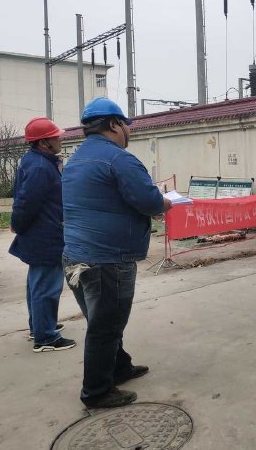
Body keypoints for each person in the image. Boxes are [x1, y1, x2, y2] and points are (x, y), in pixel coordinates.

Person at [62, 97, 172, 408]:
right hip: (107, 260)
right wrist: (165, 202)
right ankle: (96, 392)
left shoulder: (75, 160)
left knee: (102, 321)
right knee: (106, 327)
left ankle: (120, 367)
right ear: (114, 124)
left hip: (75, 257)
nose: (128, 131)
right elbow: (149, 201)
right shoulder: (119, 159)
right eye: (126, 124)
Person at [9, 117, 76, 353]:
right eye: (55, 137)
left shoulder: (35, 160)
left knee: (37, 284)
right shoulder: (40, 167)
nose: (60, 139)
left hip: (41, 232)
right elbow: (26, 202)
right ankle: (45, 338)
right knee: (46, 287)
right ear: (43, 142)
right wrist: (17, 224)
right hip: (45, 235)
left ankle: (39, 326)